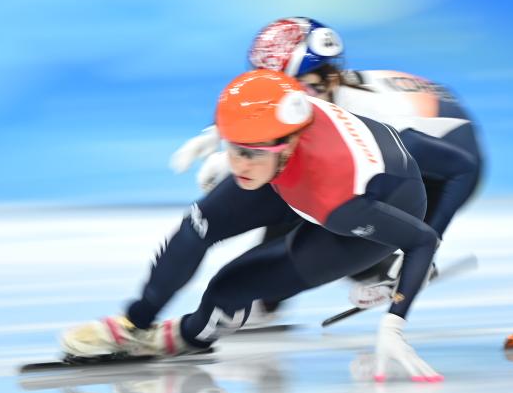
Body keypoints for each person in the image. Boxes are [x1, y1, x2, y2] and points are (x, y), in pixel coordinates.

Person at [62, 69, 443, 382]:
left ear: (289, 143)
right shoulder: (281, 117)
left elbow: (423, 240)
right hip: (302, 173)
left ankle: (185, 337)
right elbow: (265, 105)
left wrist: (394, 325)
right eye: (234, 148)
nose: (238, 164)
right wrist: (227, 136)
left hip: (375, 208)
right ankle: (134, 324)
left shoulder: (336, 199)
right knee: (198, 225)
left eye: (249, 152)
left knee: (232, 285)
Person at [170, 17, 483, 304]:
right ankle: (284, 293)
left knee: (342, 215)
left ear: (324, 82)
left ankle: (375, 268)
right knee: (293, 189)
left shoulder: (373, 119)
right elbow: (271, 115)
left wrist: (428, 243)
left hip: (450, 157)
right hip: (419, 128)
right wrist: (222, 139)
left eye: (291, 89)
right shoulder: (318, 96)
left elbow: (462, 169)